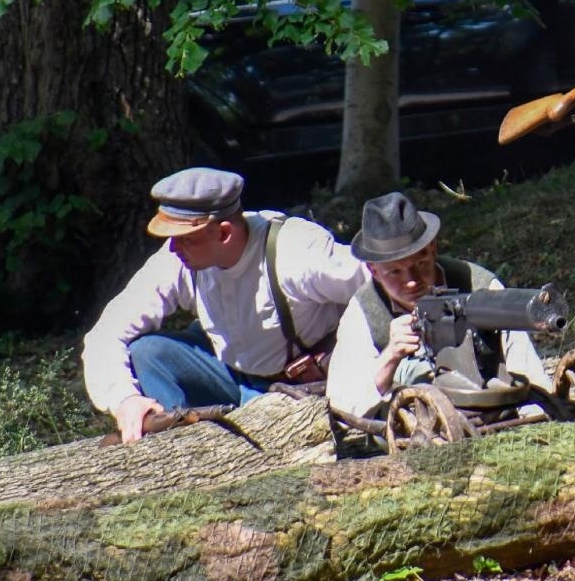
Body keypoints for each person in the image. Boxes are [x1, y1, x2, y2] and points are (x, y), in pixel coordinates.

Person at [81, 167, 366, 443]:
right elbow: (107, 332)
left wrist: (352, 356)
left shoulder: (295, 250)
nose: (173, 248)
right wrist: (125, 400)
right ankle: (177, 449)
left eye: (185, 239)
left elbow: (380, 281)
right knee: (148, 352)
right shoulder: (178, 258)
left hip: (297, 385)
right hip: (227, 374)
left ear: (224, 233)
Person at [326, 191, 554, 419]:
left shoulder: (480, 286)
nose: (411, 280)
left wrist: (537, 422)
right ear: (372, 270)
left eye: (421, 263)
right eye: (395, 271)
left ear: (433, 248)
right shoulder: (364, 311)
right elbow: (343, 405)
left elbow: (529, 373)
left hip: (494, 409)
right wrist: (391, 355)